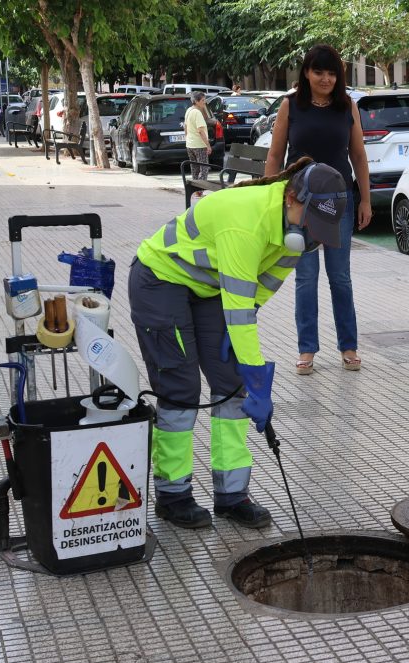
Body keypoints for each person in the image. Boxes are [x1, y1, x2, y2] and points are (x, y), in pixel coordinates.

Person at [129, 157, 348, 529]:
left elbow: (258, 292)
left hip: (207, 287)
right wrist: (259, 382)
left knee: (231, 385)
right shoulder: (247, 223)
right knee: (181, 388)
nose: (314, 233)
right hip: (160, 280)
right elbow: (238, 310)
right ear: (292, 198)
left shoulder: (298, 237)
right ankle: (172, 494)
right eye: (312, 219)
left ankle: (231, 495)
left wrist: (247, 374)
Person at [265, 44, 372, 375]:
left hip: (338, 201)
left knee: (340, 277)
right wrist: (269, 200)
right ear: (307, 73)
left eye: (331, 73)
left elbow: (358, 156)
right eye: (318, 72)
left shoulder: (347, 107)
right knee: (305, 277)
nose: (325, 78)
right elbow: (274, 155)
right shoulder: (290, 106)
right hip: (299, 202)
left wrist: (365, 199)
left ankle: (349, 346)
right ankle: (306, 349)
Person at [184, 91, 213, 199]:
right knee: (204, 167)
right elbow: (201, 130)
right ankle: (199, 191)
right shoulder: (197, 113)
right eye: (202, 100)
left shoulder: (189, 110)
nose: (204, 102)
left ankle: (195, 190)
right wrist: (208, 145)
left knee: (194, 168)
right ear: (196, 101)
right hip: (199, 145)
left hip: (190, 144)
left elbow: (185, 127)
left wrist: (187, 138)